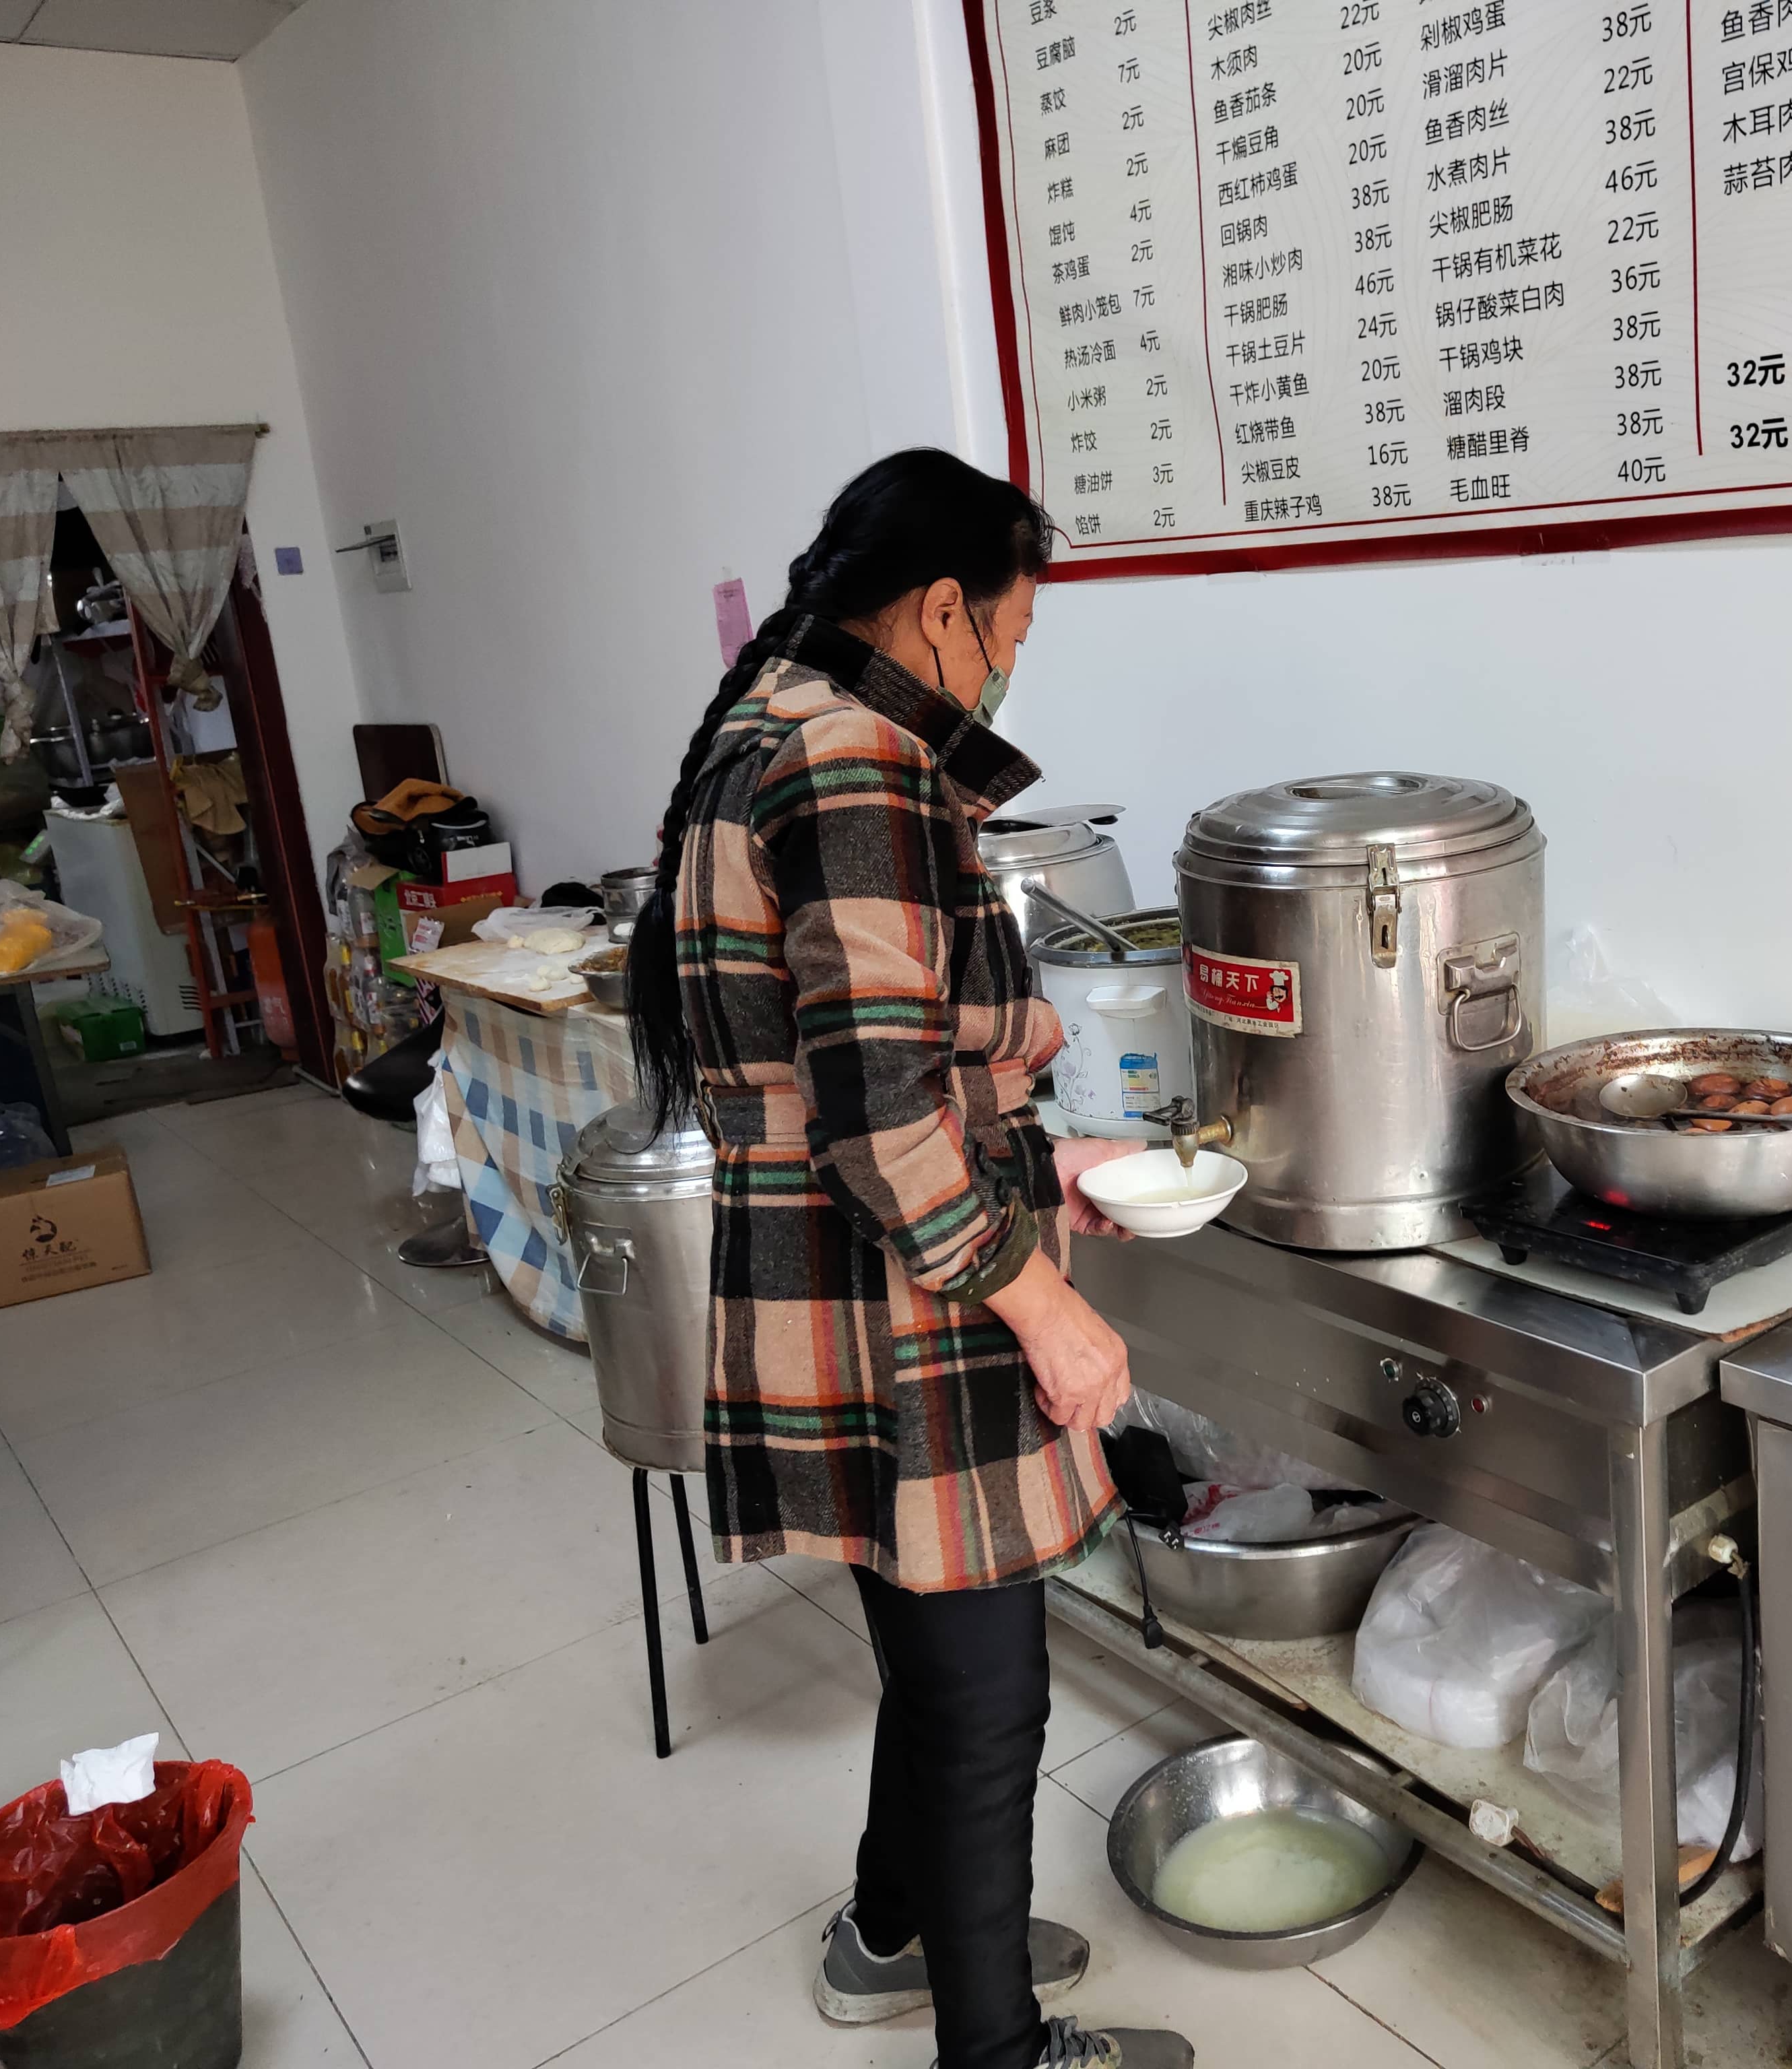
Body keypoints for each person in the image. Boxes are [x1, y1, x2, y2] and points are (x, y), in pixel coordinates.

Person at [626, 450, 1191, 2069]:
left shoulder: (767, 730)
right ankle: (993, 2050)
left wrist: (1042, 1164)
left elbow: (874, 1072)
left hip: (838, 1271)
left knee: (934, 1659)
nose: (1008, 666)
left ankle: (893, 1933)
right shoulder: (858, 765)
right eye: (1009, 632)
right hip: (900, 1297)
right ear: (944, 609)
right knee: (990, 1694)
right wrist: (1043, 1302)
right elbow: (879, 1121)